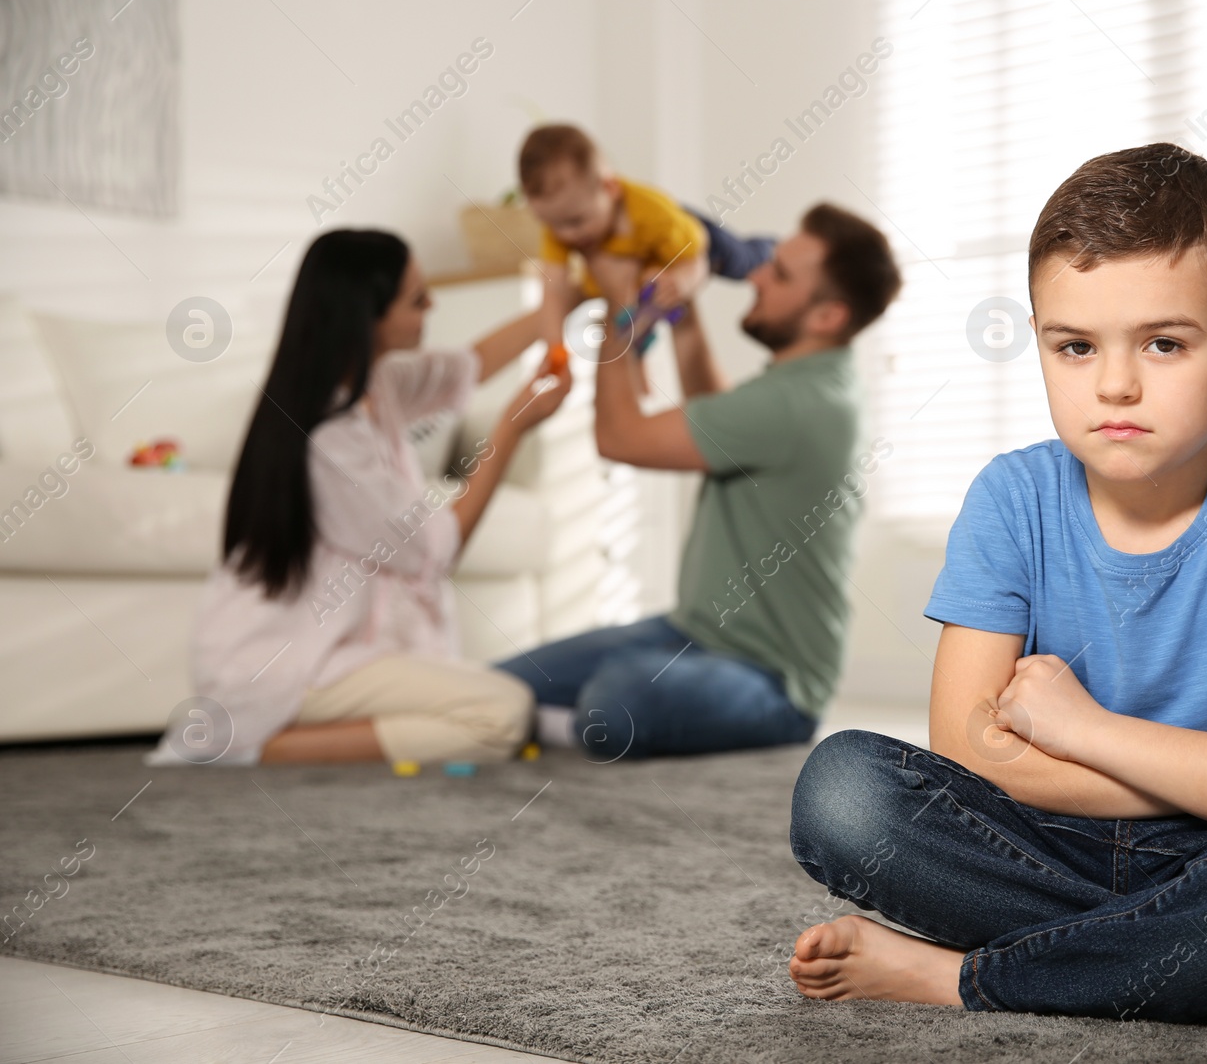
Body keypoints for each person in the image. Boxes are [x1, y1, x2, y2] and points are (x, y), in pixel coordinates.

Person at [784, 144, 1207, 1036]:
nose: (1115, 382)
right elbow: (969, 751)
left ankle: (964, 978)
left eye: (1164, 342)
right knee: (842, 788)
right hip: (1037, 837)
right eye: (1075, 346)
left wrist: (1087, 731)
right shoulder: (1012, 497)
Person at [147, 229, 572, 767]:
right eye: (417, 298)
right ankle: (256, 746)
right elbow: (435, 549)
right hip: (288, 659)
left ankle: (286, 734)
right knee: (503, 713)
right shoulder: (331, 439)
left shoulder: (377, 384)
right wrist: (512, 427)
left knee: (493, 697)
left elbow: (470, 365)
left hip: (339, 653)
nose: (433, 304)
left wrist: (558, 303)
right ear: (367, 316)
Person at [495, 203, 902, 759]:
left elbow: (618, 437)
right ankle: (552, 711)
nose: (755, 275)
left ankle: (569, 717)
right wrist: (680, 308)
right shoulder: (812, 382)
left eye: (779, 274)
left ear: (828, 315)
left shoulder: (801, 402)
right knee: (501, 685)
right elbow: (716, 410)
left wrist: (618, 304)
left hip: (774, 678)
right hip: (688, 631)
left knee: (612, 705)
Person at [517, 123, 776, 355]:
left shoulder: (652, 215)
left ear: (610, 189)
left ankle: (772, 248)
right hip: (646, 261)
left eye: (576, 222)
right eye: (552, 224)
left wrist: (683, 282)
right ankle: (641, 380)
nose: (566, 234)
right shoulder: (562, 224)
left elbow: (696, 256)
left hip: (698, 241)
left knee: (745, 263)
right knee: (632, 321)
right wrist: (555, 351)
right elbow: (553, 290)